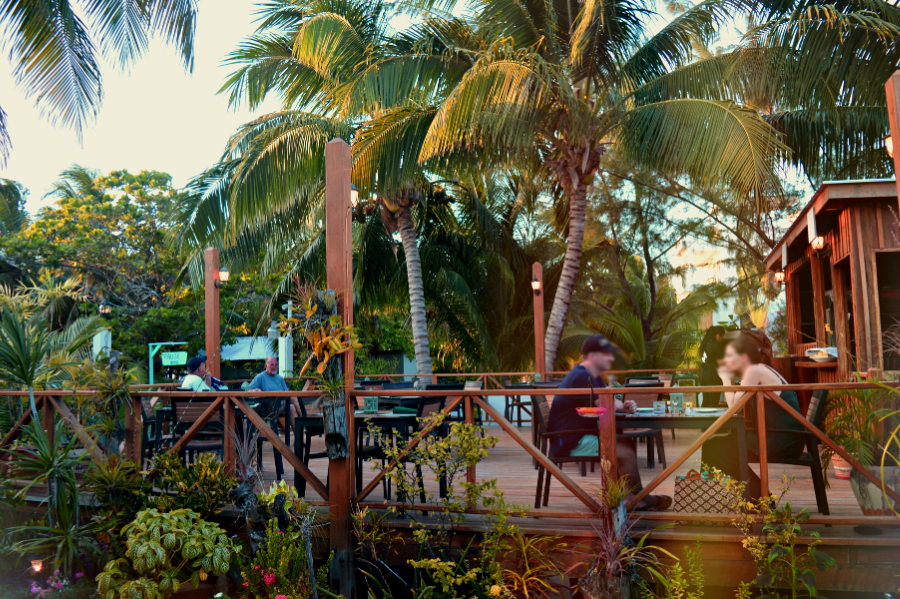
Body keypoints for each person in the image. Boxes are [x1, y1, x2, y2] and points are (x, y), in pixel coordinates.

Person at [549, 334, 673, 511]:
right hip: (569, 441)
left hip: (578, 436)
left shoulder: (592, 375)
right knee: (622, 449)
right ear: (593, 356)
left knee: (625, 442)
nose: (611, 358)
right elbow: (604, 403)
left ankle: (633, 495)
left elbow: (608, 398)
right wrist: (622, 407)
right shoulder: (582, 376)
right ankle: (637, 497)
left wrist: (626, 406)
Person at [700, 333, 804, 498]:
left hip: (781, 440)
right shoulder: (762, 369)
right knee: (717, 446)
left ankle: (754, 500)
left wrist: (726, 381)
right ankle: (750, 499)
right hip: (789, 438)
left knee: (717, 448)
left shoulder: (754, 370)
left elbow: (734, 409)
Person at [698, 326, 726, 407]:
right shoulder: (716, 345)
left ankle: (702, 419)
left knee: (706, 402)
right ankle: (715, 420)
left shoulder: (706, 343)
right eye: (722, 337)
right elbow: (721, 362)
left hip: (704, 374)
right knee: (714, 403)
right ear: (718, 335)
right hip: (712, 375)